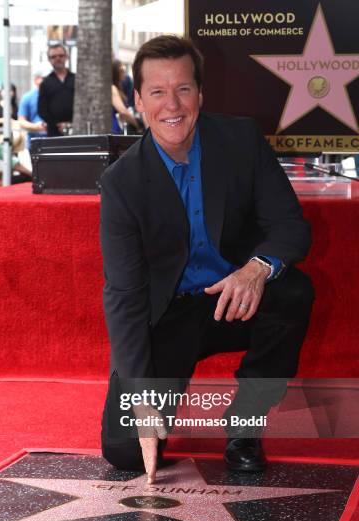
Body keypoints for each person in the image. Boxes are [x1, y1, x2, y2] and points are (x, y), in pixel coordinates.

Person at [100, 36, 314, 484]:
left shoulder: (240, 139)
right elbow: (124, 294)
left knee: (293, 290)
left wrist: (256, 270)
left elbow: (290, 226)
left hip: (235, 296)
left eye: (183, 89)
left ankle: (245, 424)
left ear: (200, 93)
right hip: (170, 315)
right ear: (138, 100)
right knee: (124, 451)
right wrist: (140, 399)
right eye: (157, 92)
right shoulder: (122, 182)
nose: (171, 104)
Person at [38, 44, 75, 136]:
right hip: (54, 132)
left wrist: (70, 124)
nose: (58, 59)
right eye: (53, 57)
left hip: (77, 130)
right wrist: (57, 125)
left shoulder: (77, 80)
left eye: (61, 56)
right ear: (49, 60)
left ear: (67, 57)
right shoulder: (45, 83)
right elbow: (42, 110)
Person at [18, 73, 47, 149]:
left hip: (55, 141)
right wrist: (37, 127)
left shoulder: (56, 96)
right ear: (35, 80)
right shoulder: (27, 98)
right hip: (34, 142)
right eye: (42, 78)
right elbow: (21, 122)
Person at [111, 60, 141, 134]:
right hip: (114, 128)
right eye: (121, 70)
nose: (124, 73)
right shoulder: (112, 88)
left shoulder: (119, 88)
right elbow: (123, 111)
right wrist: (138, 125)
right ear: (116, 72)